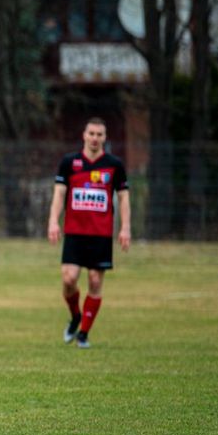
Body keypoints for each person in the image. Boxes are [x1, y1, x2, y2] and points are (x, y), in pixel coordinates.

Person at [47, 117, 131, 348]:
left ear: (105, 138)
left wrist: (125, 227)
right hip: (74, 232)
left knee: (95, 281)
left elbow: (123, 198)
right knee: (69, 278)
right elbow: (59, 194)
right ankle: (75, 316)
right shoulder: (69, 163)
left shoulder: (114, 165)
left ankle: (83, 334)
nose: (95, 138)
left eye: (99, 135)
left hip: (101, 234)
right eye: (91, 134)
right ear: (84, 135)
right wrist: (53, 221)